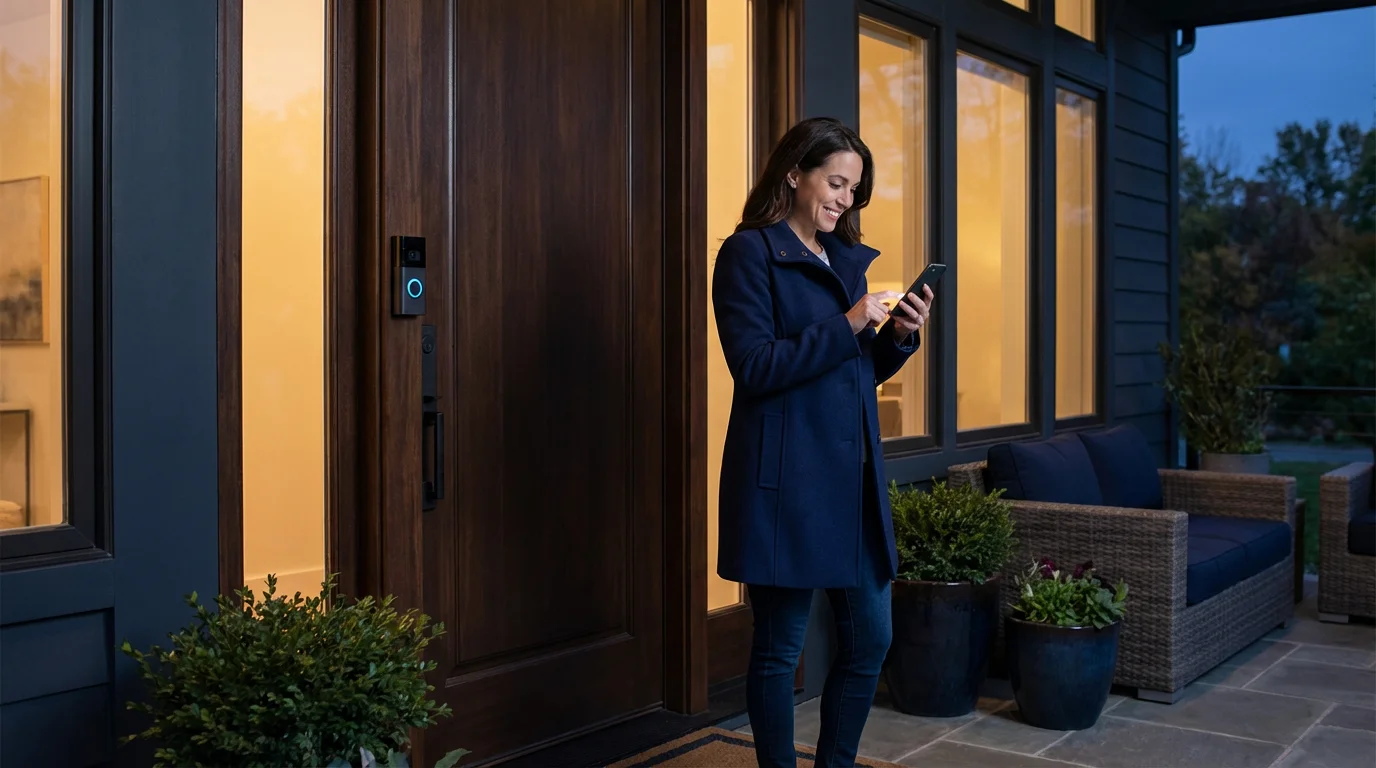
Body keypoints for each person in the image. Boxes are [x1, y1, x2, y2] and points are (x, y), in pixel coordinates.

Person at [712, 117, 932, 767]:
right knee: (781, 649)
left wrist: (895, 336)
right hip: (787, 482)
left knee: (871, 640)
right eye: (835, 182)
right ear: (794, 173)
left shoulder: (844, 261)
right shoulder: (748, 254)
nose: (844, 199)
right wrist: (850, 320)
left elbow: (853, 369)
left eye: (854, 190)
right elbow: (754, 367)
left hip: (853, 482)